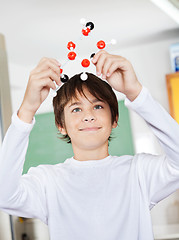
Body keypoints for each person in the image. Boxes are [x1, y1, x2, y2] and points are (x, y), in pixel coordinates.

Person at [0, 50, 179, 240]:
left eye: (98, 106)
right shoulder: (48, 182)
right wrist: (27, 109)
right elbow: (5, 195)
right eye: (76, 109)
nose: (88, 115)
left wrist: (135, 92)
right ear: (61, 125)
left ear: (114, 119)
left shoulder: (139, 172)